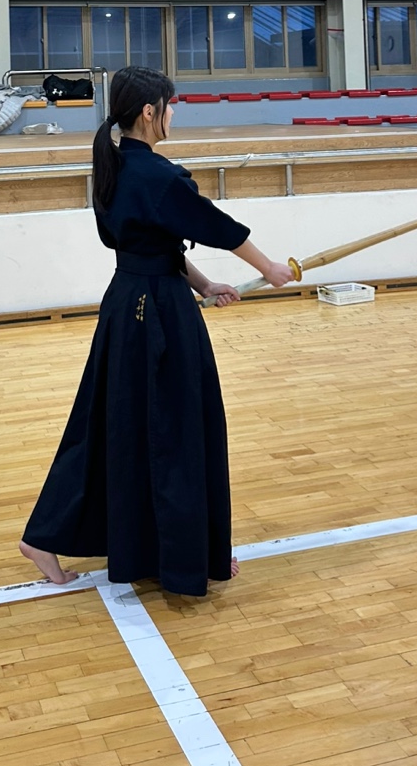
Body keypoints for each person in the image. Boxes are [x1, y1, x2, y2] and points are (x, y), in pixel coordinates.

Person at [19, 65, 295, 597]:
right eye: (170, 106)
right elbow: (216, 227)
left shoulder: (115, 167)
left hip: (129, 302)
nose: (173, 115)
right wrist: (269, 268)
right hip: (157, 314)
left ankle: (86, 541)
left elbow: (153, 246)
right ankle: (183, 552)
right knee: (174, 430)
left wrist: (206, 285)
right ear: (150, 112)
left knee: (119, 429)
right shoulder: (156, 175)